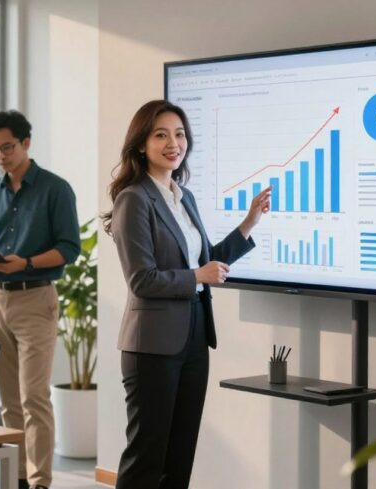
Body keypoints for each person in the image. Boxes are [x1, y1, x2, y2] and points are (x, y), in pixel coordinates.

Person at [103, 100, 271, 489]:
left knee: (180, 456)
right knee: (147, 457)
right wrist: (197, 274)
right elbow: (142, 280)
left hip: (194, 335)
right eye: (160, 134)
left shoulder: (184, 197)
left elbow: (208, 263)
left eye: (179, 134)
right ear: (141, 144)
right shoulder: (133, 198)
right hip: (153, 345)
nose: (172, 143)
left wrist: (249, 223)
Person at [0, 109, 80, 489]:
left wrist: (26, 263)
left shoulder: (55, 189)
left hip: (35, 298)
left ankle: (39, 482)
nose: (1, 156)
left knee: (34, 396)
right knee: (8, 400)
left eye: (7, 147)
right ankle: (16, 478)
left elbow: (69, 249)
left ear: (26, 143)